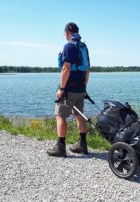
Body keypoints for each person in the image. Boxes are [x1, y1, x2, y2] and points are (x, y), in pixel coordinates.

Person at [47, 22, 90, 158]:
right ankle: (82, 145)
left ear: (67, 33)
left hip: (69, 89)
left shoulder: (68, 46)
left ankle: (60, 147)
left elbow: (66, 68)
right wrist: (84, 87)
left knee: (60, 116)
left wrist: (62, 88)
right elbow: (87, 70)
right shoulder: (83, 47)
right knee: (79, 116)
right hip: (80, 88)